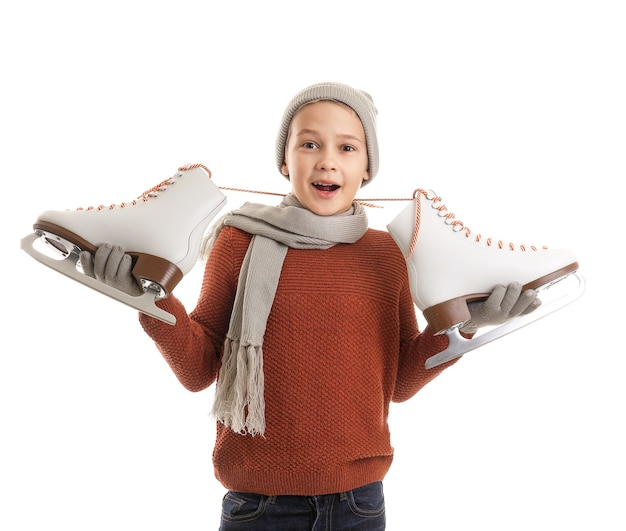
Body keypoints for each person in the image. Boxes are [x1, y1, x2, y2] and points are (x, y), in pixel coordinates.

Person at [80, 82, 539, 530]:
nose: (326, 161)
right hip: (258, 506)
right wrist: (148, 298)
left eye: (346, 148)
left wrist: (467, 326)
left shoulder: (386, 254)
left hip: (360, 503)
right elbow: (199, 370)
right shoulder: (237, 241)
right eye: (309, 144)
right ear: (285, 160)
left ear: (367, 168)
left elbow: (397, 381)